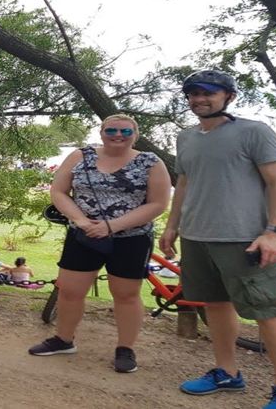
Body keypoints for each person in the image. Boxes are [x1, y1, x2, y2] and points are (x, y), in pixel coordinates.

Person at [160, 70, 276, 408]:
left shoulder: (254, 132)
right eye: (192, 93)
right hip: (196, 236)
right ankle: (227, 373)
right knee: (216, 305)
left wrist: (274, 233)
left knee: (268, 311)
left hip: (245, 238)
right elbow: (184, 183)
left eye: (208, 92)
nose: (199, 99)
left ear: (228, 96)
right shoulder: (186, 138)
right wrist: (172, 225)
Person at [28, 113, 171, 375]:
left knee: (126, 294)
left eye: (126, 132)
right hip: (83, 235)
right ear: (101, 132)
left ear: (135, 135)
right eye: (112, 130)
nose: (118, 135)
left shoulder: (151, 162)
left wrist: (111, 226)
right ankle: (63, 339)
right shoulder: (80, 156)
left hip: (131, 238)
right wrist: (81, 221)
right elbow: (59, 191)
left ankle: (125, 348)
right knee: (70, 291)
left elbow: (158, 203)